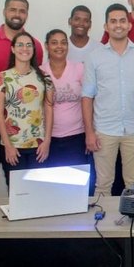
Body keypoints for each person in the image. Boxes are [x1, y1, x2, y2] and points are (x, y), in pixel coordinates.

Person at [0, 0, 44, 187]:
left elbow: (36, 83)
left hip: (23, 129)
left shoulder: (35, 45)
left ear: (27, 15)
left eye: (22, 10)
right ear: (4, 12)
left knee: (21, 183)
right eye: (13, 9)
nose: (17, 14)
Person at [82, 3, 134, 197]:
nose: (118, 25)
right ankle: (101, 225)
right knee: (103, 184)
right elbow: (87, 97)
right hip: (104, 131)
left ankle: (130, 225)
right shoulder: (93, 58)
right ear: (106, 26)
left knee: (133, 185)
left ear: (129, 25)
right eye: (113, 21)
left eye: (122, 20)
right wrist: (89, 132)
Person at [0, 32, 55, 179]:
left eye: (28, 45)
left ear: (33, 49)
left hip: (38, 146)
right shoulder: (3, 78)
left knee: (37, 190)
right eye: (20, 44)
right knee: (16, 193)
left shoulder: (44, 78)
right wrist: (7, 145)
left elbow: (49, 108)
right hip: (13, 146)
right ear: (13, 49)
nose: (24, 48)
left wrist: (47, 141)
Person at [40, 29, 87, 168]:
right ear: (46, 46)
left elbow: (89, 101)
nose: (59, 46)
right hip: (48, 139)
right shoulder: (39, 72)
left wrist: (91, 132)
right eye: (54, 43)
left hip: (77, 136)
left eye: (63, 43)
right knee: (52, 184)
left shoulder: (79, 68)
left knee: (77, 183)